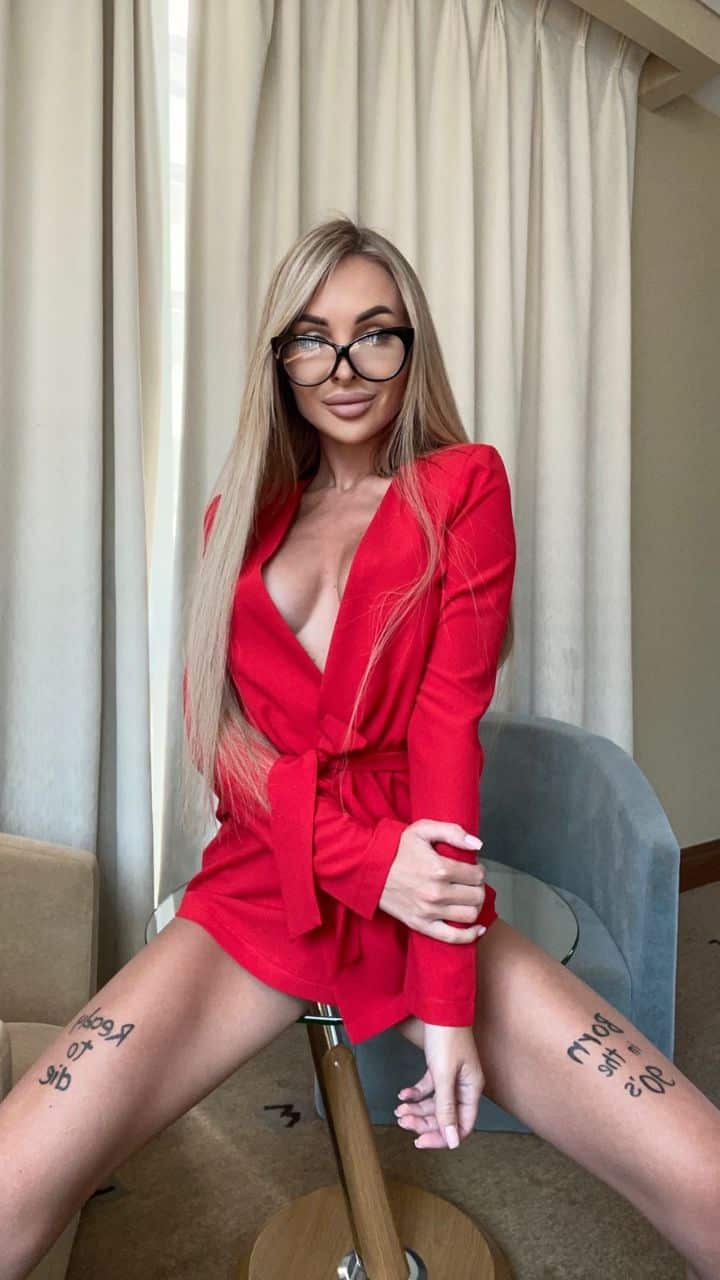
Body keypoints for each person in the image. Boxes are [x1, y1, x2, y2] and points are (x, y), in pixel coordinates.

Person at [0, 218, 718, 1280]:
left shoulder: (463, 485)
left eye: (375, 333)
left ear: (410, 347)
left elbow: (445, 737)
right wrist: (363, 860)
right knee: (14, 1179)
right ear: (280, 358)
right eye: (312, 338)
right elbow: (218, 740)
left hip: (422, 881)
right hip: (268, 883)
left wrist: (446, 1000)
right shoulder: (236, 516)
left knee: (701, 1174)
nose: (343, 366)